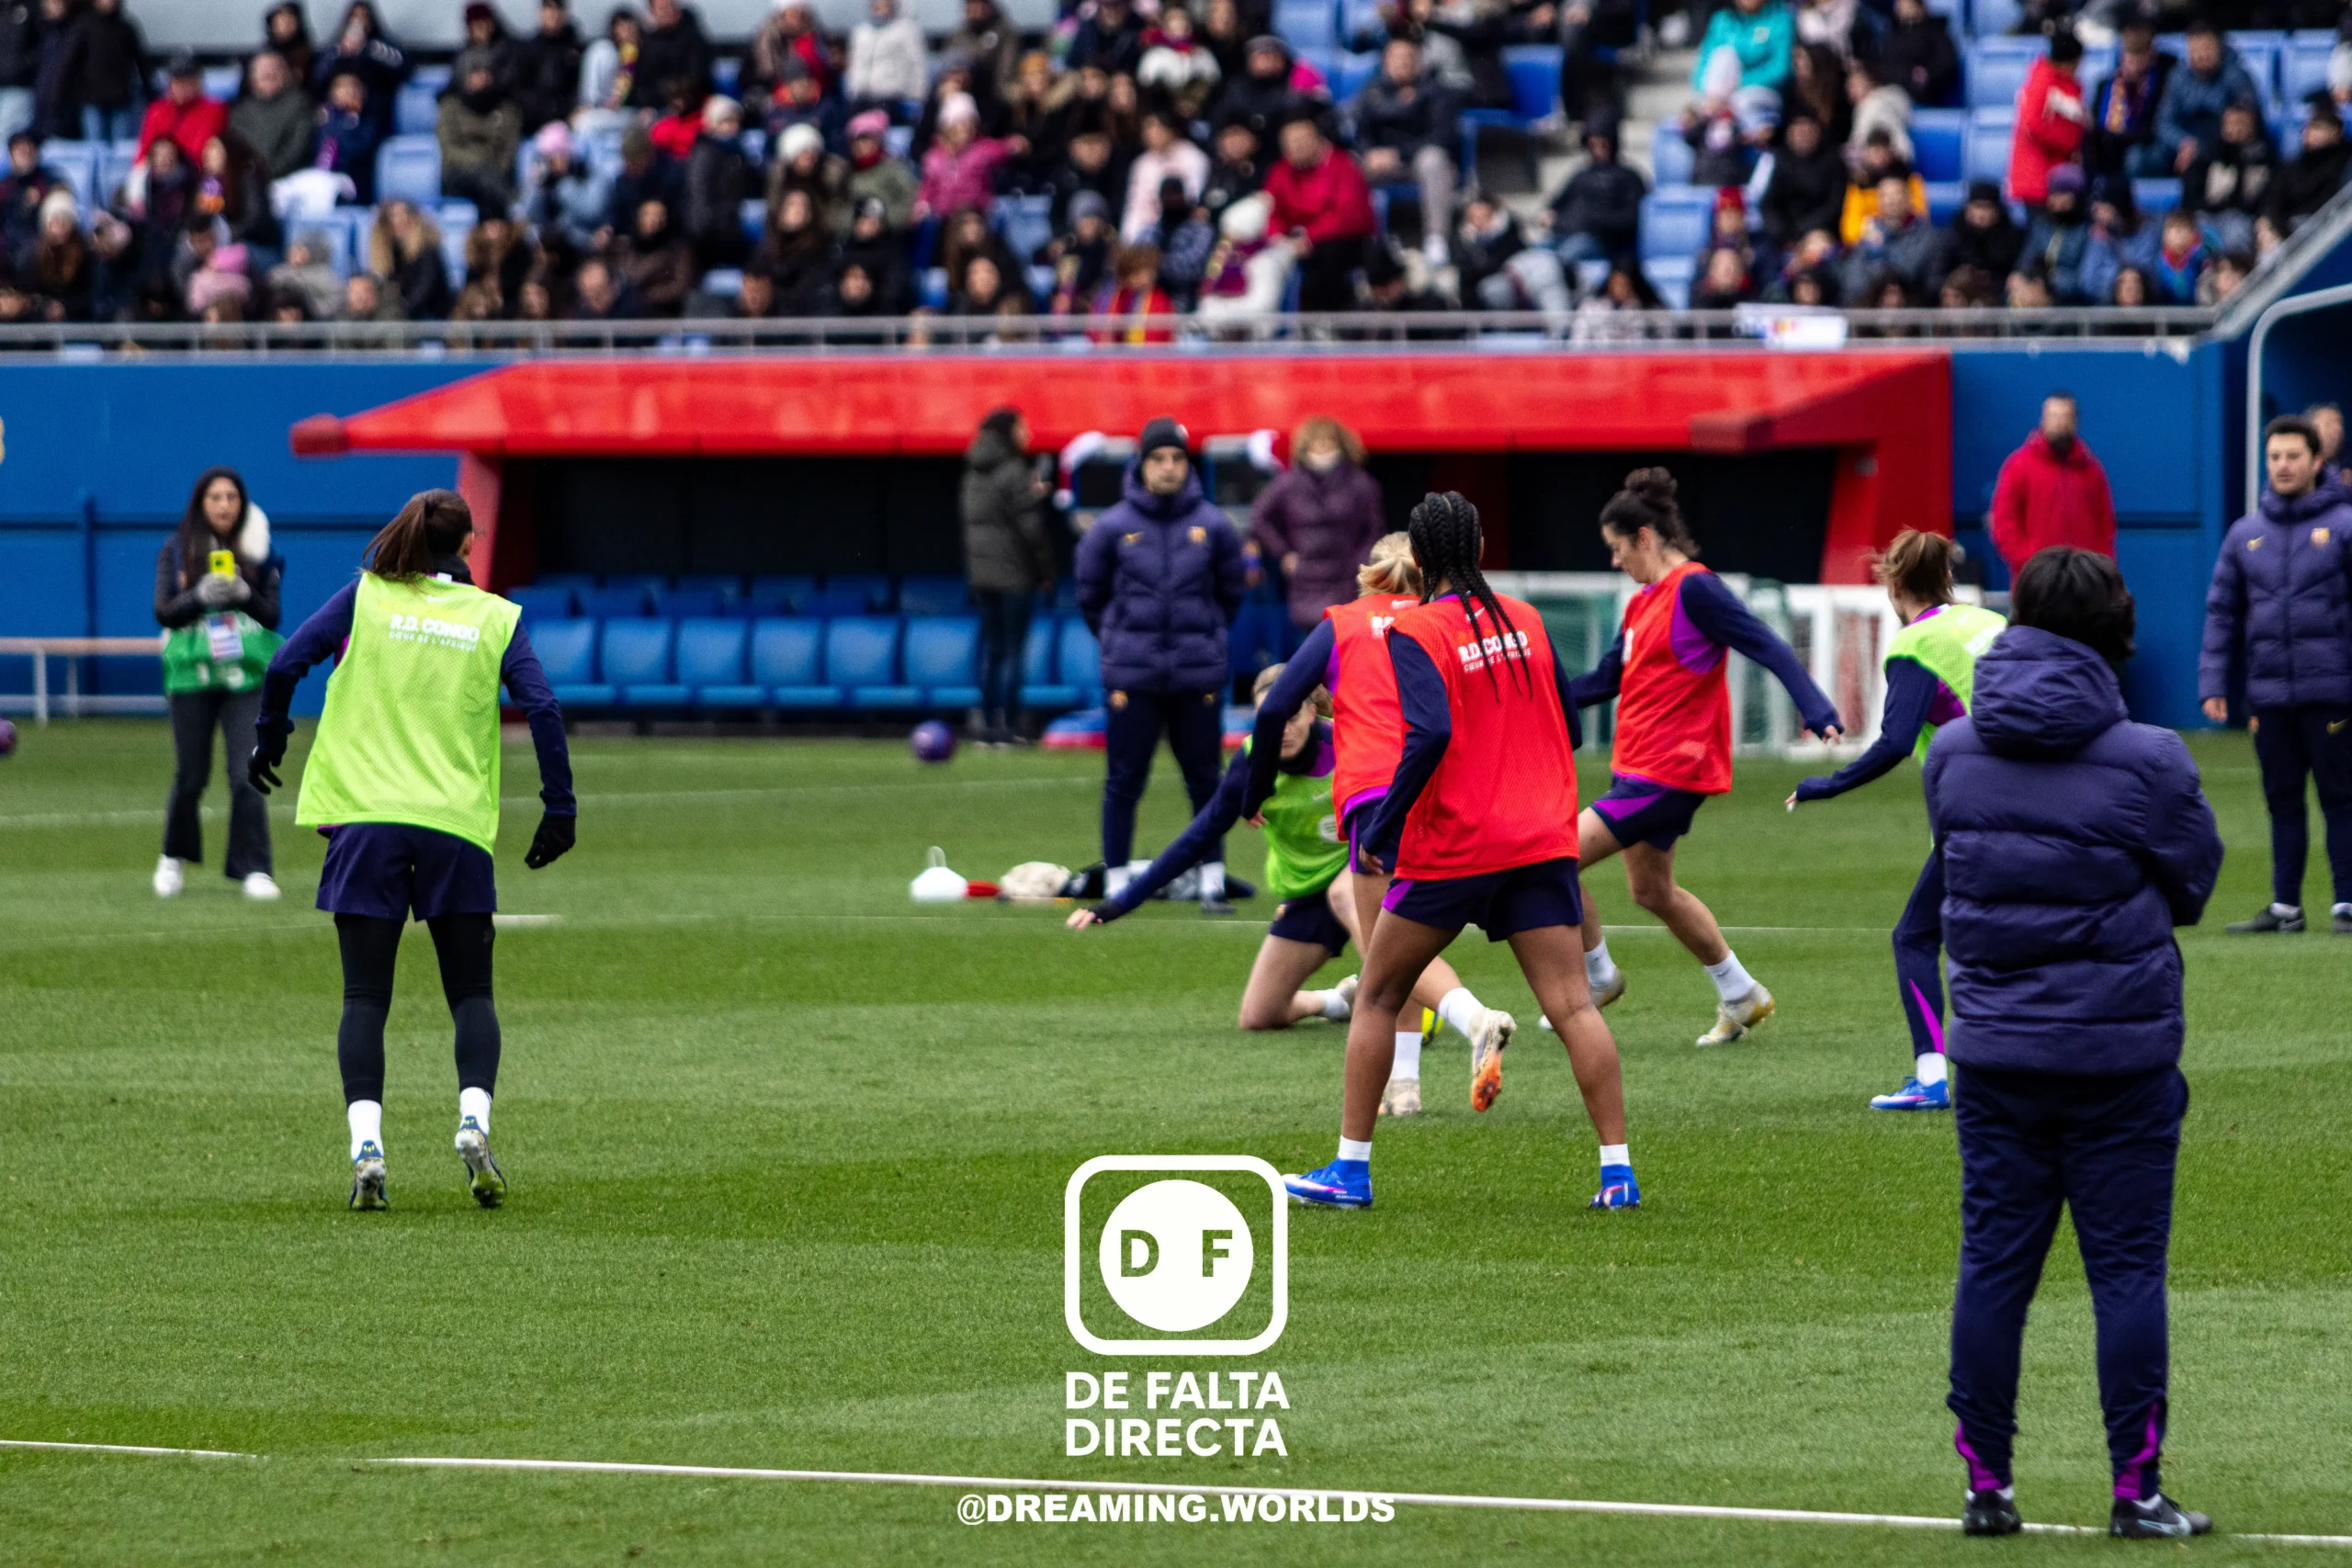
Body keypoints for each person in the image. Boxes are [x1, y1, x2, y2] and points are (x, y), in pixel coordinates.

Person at [1928, 546, 2222, 1542]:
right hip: (2118, 1058)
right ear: (2110, 628)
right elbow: (2192, 885)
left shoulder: (1953, 751)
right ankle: (2133, 1493)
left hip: (1997, 1054)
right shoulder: (2150, 758)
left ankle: (1986, 1488)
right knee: (2127, 1275)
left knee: (1992, 1268)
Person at [1283, 492, 1634, 1212]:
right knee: (1573, 1006)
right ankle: (1617, 1172)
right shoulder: (1530, 621)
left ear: (1417, 558)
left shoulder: (1416, 630)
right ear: (1475, 550)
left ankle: (1350, 1171)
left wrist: (1383, 831)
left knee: (1379, 994)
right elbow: (1567, 724)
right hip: (1539, 840)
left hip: (1455, 847)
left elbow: (1432, 733)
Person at [248, 490, 574, 1213]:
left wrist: (271, 734)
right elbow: (543, 706)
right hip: (453, 826)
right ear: (467, 547)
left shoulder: (365, 597)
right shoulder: (493, 617)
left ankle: (368, 1147)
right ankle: (473, 1123)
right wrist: (560, 805)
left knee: (365, 997)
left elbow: (284, 664)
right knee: (472, 996)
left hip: (365, 822)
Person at [1566, 468, 1842, 1046]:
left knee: (1551, 854)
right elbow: (1602, 680)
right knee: (1650, 892)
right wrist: (1527, 697)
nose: (1615, 563)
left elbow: (1765, 641)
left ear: (1644, 537)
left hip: (1668, 772)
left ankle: (1597, 979)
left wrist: (1814, 705)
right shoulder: (1642, 604)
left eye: (1617, 549)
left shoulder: (1696, 589)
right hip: (1639, 769)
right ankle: (1740, 993)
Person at [1245, 531, 1519, 1115]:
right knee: (1399, 951)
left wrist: (1254, 787)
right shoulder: (1447, 621)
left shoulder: (1343, 622)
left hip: (1376, 798)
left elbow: (1273, 707)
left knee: (1384, 959)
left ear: (1370, 571)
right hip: (1453, 796)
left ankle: (1473, 1020)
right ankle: (1406, 1088)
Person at [1788, 531, 2005, 1111]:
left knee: (1914, 937)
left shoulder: (1916, 645)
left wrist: (1826, 785)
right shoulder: (1988, 622)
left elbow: (1894, 743)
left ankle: (1932, 1078)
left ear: (1894, 583)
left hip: (1979, 811)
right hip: (2044, 800)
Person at [1074, 417, 1246, 903]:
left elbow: (1231, 594)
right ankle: (1115, 881)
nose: (1168, 468)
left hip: (1198, 673)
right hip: (1133, 674)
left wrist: (1206, 637)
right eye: (1158, 458)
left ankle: (1212, 882)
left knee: (1206, 781)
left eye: (1176, 458)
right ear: (1142, 464)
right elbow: (1090, 596)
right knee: (1124, 781)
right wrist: (1118, 642)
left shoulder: (1214, 525)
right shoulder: (1111, 527)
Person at [2199, 415, 2352, 936]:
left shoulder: (2346, 525)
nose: (2282, 466)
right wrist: (2213, 683)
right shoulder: (2246, 534)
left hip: (2333, 692)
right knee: (2281, 800)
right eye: (2274, 457)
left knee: (2341, 798)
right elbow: (2222, 612)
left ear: (2316, 462)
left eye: (2293, 456)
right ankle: (2286, 908)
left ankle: (2347, 905)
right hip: (2269, 696)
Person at [153, 467, 283, 902]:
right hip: (191, 676)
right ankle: (173, 857)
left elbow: (272, 616)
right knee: (191, 775)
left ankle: (255, 869)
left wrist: (245, 593)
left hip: (244, 677)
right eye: (215, 497)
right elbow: (164, 611)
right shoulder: (176, 550)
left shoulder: (260, 551)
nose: (225, 505)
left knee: (247, 771)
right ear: (200, 503)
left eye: (231, 497)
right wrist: (199, 597)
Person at [961, 408, 1055, 745]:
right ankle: (1010, 728)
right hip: (1015, 577)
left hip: (982, 578)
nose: (1027, 434)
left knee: (992, 652)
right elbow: (1031, 530)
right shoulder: (1015, 471)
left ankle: (986, 727)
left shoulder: (973, 471)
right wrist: (1046, 573)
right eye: (1023, 427)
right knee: (1014, 653)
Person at [1250, 417, 1384, 635]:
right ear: (1305, 447)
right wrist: (1283, 554)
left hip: (1347, 580)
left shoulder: (1362, 485)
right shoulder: (1287, 484)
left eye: (1328, 442)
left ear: (1341, 445)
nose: (1322, 449)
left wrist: (1360, 564)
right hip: (1306, 581)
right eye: (1316, 442)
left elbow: (1374, 530)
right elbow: (1259, 517)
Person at [1989, 392, 2114, 581]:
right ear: (2043, 419)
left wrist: (2100, 569)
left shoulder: (2091, 470)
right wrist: (2030, 563)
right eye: (2054, 416)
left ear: (2075, 421)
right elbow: (2004, 523)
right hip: (2037, 582)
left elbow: (2105, 526)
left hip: (2084, 583)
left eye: (2065, 417)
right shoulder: (2019, 466)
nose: (2060, 423)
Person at [1262, 110, 1374, 312]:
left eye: (1302, 140)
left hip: (1338, 240)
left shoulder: (1343, 166)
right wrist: (1278, 237)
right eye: (1290, 142)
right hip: (1294, 241)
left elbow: (1349, 217)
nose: (1296, 147)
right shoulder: (1279, 171)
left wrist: (1310, 238)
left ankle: (1327, 319)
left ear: (1318, 140)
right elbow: (1271, 213)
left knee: (1328, 256)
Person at [2153, 20, 2260, 179]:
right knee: (2140, 158)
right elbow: (2163, 122)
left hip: (2222, 150)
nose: (2201, 56)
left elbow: (2245, 125)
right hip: (2183, 144)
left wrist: (2201, 149)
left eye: (2206, 49)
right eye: (2195, 50)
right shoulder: (2177, 77)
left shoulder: (2237, 78)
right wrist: (2185, 143)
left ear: (2219, 48)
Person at [2007, 28, 2086, 212]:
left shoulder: (2061, 81)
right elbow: (2032, 123)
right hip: (2038, 174)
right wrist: (2070, 141)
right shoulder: (2043, 80)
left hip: (2055, 173)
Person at [230, 51, 315, 182]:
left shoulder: (299, 104)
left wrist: (267, 172)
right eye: (263, 71)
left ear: (286, 74)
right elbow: (237, 149)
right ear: (252, 77)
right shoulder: (240, 111)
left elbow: (296, 150)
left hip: (288, 180)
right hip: (249, 180)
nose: (269, 74)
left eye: (275, 69)